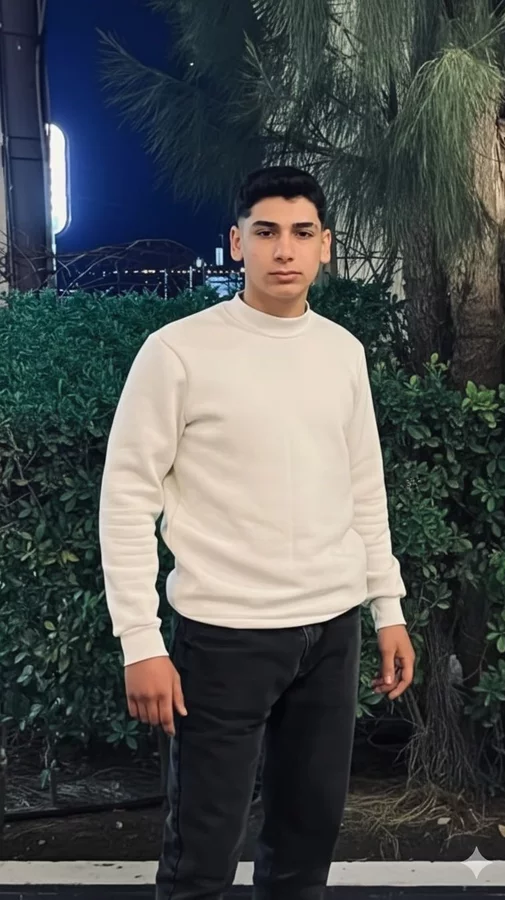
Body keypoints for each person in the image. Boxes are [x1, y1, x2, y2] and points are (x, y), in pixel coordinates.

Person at [98, 166, 415, 899]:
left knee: (306, 846)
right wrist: (140, 641)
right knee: (201, 856)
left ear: (326, 245)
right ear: (237, 242)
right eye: (266, 231)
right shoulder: (177, 352)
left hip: (331, 631)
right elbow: (125, 499)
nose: (284, 249)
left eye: (302, 233)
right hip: (224, 636)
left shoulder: (342, 352)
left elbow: (364, 487)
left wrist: (388, 607)